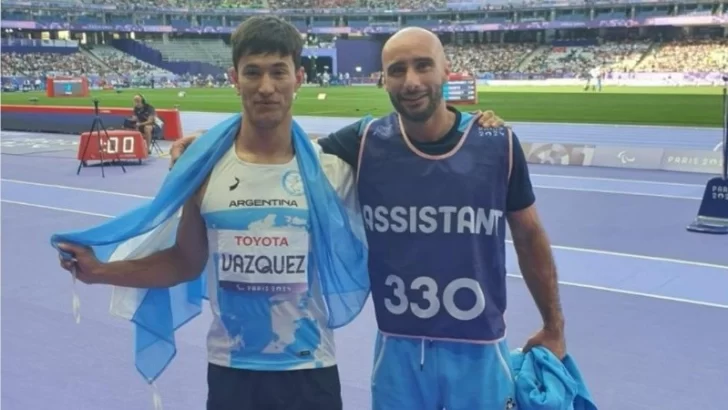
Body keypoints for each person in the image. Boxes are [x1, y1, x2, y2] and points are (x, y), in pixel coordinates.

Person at [169, 28, 567, 410]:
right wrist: (213, 143)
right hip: (398, 348)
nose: (410, 81)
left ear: (447, 71)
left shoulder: (497, 143)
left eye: (423, 66)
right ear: (384, 81)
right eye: (397, 70)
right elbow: (280, 151)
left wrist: (554, 325)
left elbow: (529, 236)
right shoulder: (365, 141)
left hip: (480, 347)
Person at [56, 16, 369, 410]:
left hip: (310, 371)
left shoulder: (331, 171)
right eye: (253, 73)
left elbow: (406, 147)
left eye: (278, 72)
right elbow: (185, 262)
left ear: (299, 77)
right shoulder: (203, 169)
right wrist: (100, 271)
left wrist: (470, 126)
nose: (266, 87)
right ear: (234, 78)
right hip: (231, 371)